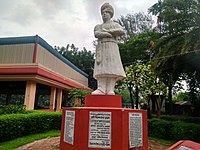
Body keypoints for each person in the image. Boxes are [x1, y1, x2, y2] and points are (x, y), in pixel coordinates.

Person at [92, 3, 126, 95]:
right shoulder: (98, 26)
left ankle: (110, 89)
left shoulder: (114, 24)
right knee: (101, 68)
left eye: (107, 12)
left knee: (111, 68)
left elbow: (121, 31)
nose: (104, 14)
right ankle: (101, 88)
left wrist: (108, 31)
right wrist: (106, 34)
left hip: (112, 46)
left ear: (110, 14)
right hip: (101, 47)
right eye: (103, 12)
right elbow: (97, 34)